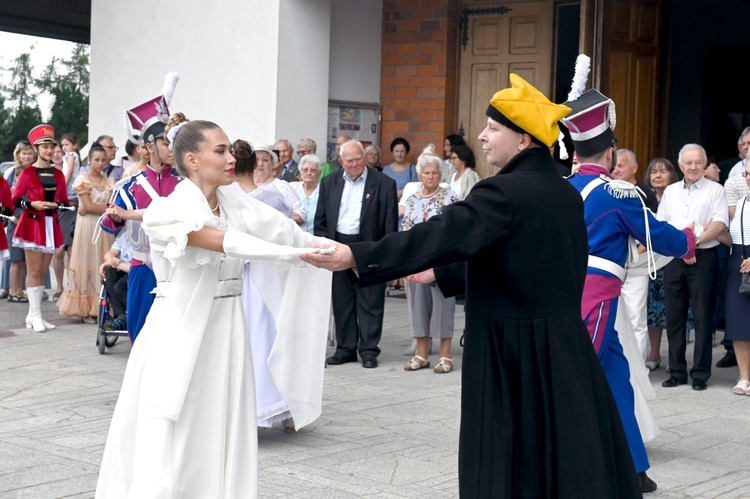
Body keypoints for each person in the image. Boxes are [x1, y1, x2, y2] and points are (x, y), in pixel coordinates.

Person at [303, 73, 641, 497]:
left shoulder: (501, 192)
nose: (481, 136)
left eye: (493, 128)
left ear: (524, 140)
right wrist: (441, 273)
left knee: (505, 454)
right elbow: (521, 256)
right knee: (559, 450)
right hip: (561, 346)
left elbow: (440, 233)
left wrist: (357, 255)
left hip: (512, 349)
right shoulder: (563, 193)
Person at [95, 114, 332, 498]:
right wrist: (295, 255)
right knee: (180, 429)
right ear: (191, 159)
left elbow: (283, 228)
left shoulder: (236, 203)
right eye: (219, 150)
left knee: (224, 424)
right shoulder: (165, 211)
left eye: (228, 149)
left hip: (227, 329)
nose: (230, 158)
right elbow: (226, 243)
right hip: (181, 329)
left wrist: (332, 249)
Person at [562, 78, 695, 493]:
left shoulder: (562, 188)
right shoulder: (618, 193)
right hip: (597, 296)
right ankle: (564, 463)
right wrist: (689, 240)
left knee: (617, 378)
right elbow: (659, 235)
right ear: (610, 152)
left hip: (565, 291)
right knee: (575, 380)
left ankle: (634, 468)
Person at [100, 80, 182, 342]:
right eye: (166, 143)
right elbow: (110, 225)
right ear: (149, 146)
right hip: (142, 268)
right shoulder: (129, 186)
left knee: (176, 336)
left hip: (178, 268)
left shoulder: (185, 183)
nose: (173, 149)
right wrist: (114, 216)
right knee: (141, 334)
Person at [314, 139, 398, 369]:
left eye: (358, 159)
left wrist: (387, 256)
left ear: (365, 157)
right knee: (342, 301)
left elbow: (390, 225)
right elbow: (320, 220)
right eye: (349, 160)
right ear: (340, 162)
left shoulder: (384, 183)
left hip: (369, 247)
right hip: (338, 245)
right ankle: (346, 349)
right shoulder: (329, 183)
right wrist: (325, 248)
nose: (354, 164)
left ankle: (369, 350)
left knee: (371, 300)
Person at [658, 143, 728, 391]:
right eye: (688, 163)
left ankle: (700, 373)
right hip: (675, 260)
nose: (693, 167)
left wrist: (691, 243)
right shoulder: (671, 192)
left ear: (705, 163)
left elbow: (719, 223)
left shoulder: (716, 190)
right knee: (674, 317)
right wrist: (681, 248)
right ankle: (677, 372)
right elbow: (662, 225)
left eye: (698, 162)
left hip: (704, 259)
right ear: (680, 165)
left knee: (702, 317)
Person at [401, 147, 460, 374]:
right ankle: (422, 354)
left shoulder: (450, 197)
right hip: (416, 261)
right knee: (418, 307)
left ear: (440, 174)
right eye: (426, 173)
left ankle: (445, 355)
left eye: (434, 173)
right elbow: (406, 230)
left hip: (442, 261)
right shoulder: (413, 200)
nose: (431, 177)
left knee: (443, 306)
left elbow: (457, 229)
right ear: (419, 175)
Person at [12, 124, 70, 332]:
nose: (49, 150)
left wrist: (57, 205)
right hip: (32, 224)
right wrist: (32, 204)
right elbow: (14, 200)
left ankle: (34, 314)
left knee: (44, 270)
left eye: (51, 146)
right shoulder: (27, 173)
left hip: (50, 225)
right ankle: (35, 314)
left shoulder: (59, 174)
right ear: (36, 149)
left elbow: (65, 202)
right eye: (44, 147)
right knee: (34, 270)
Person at [644, 158, 694, 370]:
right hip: (652, 261)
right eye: (654, 171)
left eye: (663, 171)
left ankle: (676, 356)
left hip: (676, 258)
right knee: (654, 311)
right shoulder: (644, 198)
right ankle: (654, 354)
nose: (657, 175)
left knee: (676, 310)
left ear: (672, 174)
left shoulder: (679, 195)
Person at [56, 145, 115, 323]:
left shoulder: (109, 181)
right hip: (88, 226)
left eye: (103, 160)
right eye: (96, 159)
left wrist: (103, 210)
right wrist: (107, 210)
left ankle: (102, 304)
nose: (100, 163)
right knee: (87, 260)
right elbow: (88, 206)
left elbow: (105, 206)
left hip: (104, 227)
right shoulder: (83, 180)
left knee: (103, 261)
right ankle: (85, 307)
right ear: (89, 160)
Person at [611, 149, 659, 362]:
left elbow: (650, 236)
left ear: (635, 168)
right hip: (611, 265)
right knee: (612, 318)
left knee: (635, 319)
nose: (616, 169)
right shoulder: (607, 190)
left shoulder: (645, 195)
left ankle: (638, 367)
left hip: (636, 265)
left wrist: (629, 257)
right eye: (614, 165)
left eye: (621, 165)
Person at [719, 160, 750, 394]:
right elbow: (733, 238)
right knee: (739, 323)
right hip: (738, 261)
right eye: (747, 173)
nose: (748, 178)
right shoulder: (740, 203)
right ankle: (743, 377)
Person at [2, 141, 35, 302]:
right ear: (18, 155)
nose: (27, 156)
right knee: (15, 259)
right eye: (24, 153)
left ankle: (20, 291)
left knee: (23, 260)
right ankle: (13, 291)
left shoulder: (36, 172)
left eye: (29, 153)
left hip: (31, 220)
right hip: (15, 219)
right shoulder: (11, 172)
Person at [53, 133, 82, 301]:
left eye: (66, 145)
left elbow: (70, 171)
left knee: (70, 249)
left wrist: (60, 189)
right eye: (61, 146)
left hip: (71, 201)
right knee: (59, 251)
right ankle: (60, 286)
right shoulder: (57, 165)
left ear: (75, 145)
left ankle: (71, 286)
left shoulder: (71, 157)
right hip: (62, 206)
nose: (63, 149)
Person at [252, 145, 305, 225]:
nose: (260, 164)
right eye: (256, 160)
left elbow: (301, 216)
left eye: (265, 160)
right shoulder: (240, 185)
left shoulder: (281, 185)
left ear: (272, 164)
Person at [99, 231, 132, 332]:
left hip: (137, 271)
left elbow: (136, 267)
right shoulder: (124, 233)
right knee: (110, 272)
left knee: (119, 287)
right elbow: (110, 253)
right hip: (123, 268)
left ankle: (130, 315)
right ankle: (121, 316)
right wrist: (111, 259)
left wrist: (116, 264)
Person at [291, 154, 322, 234]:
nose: (309, 173)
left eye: (313, 170)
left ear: (319, 173)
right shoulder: (292, 188)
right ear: (300, 172)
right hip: (295, 236)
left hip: (317, 237)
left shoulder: (324, 190)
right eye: (305, 170)